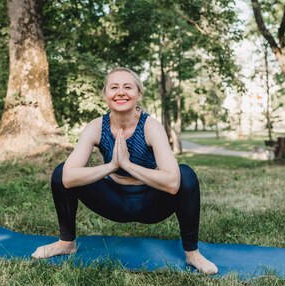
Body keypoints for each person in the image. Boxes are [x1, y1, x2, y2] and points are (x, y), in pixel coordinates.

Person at [31, 67, 218, 274]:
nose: (120, 92)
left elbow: (173, 182)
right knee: (61, 171)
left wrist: (128, 165)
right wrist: (112, 166)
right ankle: (66, 243)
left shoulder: (151, 127)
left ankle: (192, 254)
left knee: (186, 174)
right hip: (113, 200)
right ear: (106, 95)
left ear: (138, 94)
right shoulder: (96, 127)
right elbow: (67, 177)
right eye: (114, 87)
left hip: (150, 202)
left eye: (128, 87)